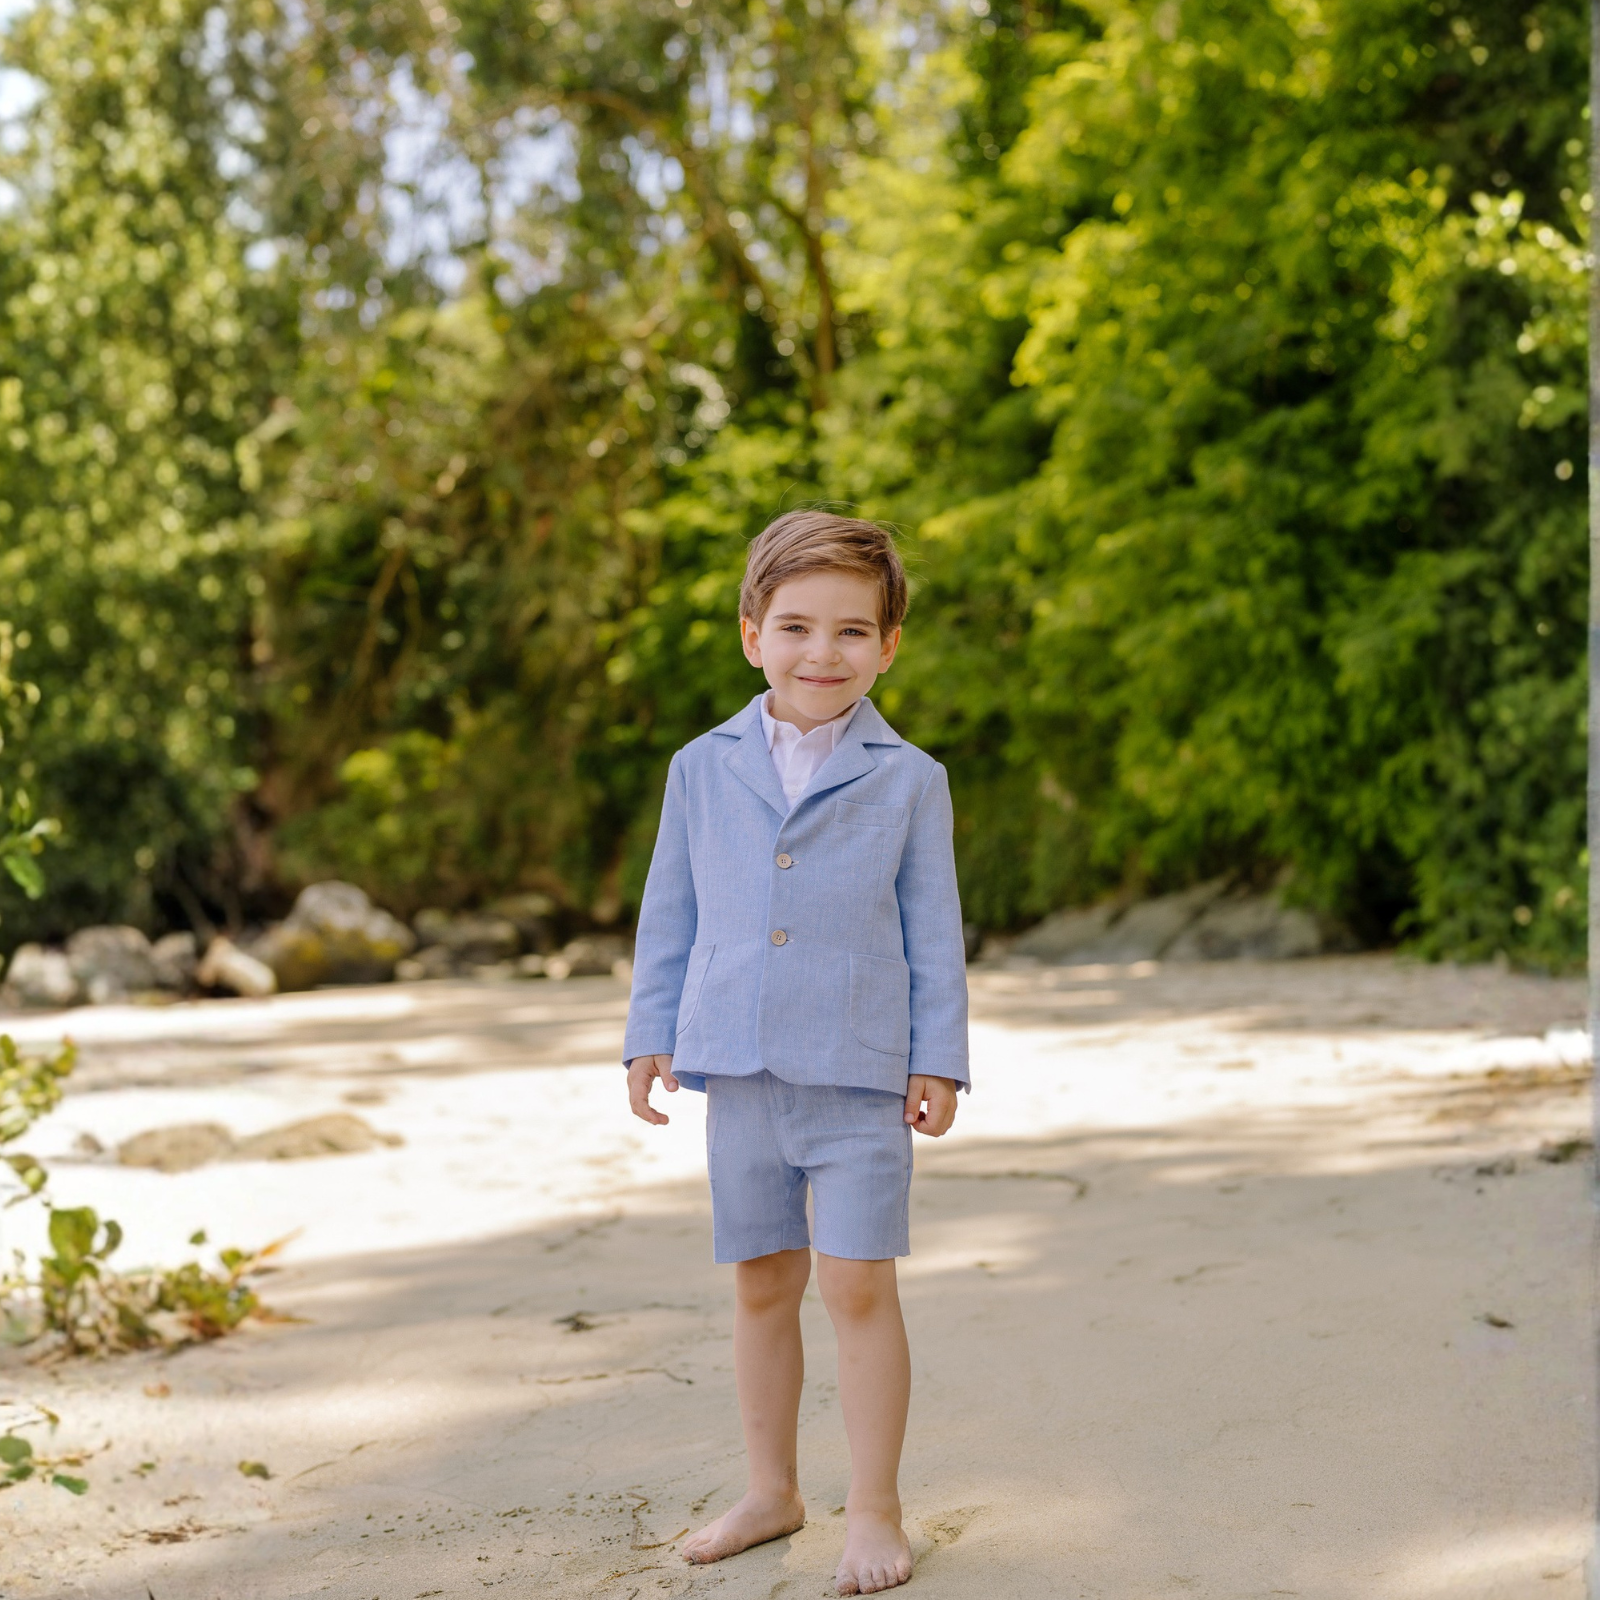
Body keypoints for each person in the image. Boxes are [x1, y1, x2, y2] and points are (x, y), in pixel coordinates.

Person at [623, 509, 970, 1596]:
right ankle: (770, 1488)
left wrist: (938, 1057)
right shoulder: (699, 766)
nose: (824, 653)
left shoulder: (910, 778)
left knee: (857, 1285)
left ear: (889, 644)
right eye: (797, 628)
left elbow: (933, 929)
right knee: (762, 1283)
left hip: (859, 1071)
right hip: (736, 1070)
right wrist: (649, 1033)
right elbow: (668, 911)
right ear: (750, 635)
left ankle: (875, 1506)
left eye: (853, 632)